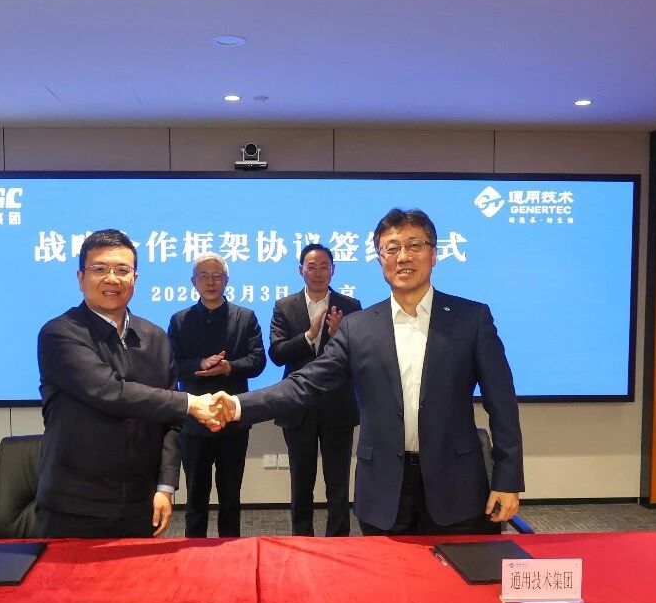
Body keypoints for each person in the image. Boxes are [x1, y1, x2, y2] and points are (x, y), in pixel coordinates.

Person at [215, 209, 523, 535]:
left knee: (457, 570)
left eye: (414, 245)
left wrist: (508, 479)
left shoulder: (471, 319)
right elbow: (304, 384)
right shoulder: (358, 327)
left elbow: (501, 402)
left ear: (433, 254)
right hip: (384, 490)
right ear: (380, 259)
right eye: (392, 248)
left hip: (456, 487)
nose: (403, 256)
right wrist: (236, 405)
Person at [33, 229, 228, 538]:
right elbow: (111, 392)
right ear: (81, 278)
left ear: (135, 278)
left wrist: (165, 486)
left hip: (141, 503)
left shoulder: (155, 337)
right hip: (74, 504)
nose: (112, 279)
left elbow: (171, 422)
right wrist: (191, 403)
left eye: (122, 270)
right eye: (100, 269)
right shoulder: (60, 333)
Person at [167, 253, 267, 537]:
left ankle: (231, 550)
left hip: (233, 420)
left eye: (216, 276)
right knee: (195, 498)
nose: (210, 282)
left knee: (230, 496)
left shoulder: (245, 317)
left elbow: (258, 361)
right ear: (194, 282)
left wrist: (228, 367)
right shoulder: (180, 320)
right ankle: (194, 550)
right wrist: (200, 364)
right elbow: (171, 365)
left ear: (226, 280)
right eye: (204, 276)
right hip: (194, 421)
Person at [269, 243, 362, 536]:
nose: (318, 273)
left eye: (324, 266)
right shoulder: (285, 306)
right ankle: (302, 540)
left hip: (338, 406)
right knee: (301, 480)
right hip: (299, 407)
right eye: (312, 267)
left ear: (333, 270)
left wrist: (337, 337)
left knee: (338, 482)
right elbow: (277, 354)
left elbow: (360, 356)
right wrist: (309, 335)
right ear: (301, 271)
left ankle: (339, 540)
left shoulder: (351, 306)